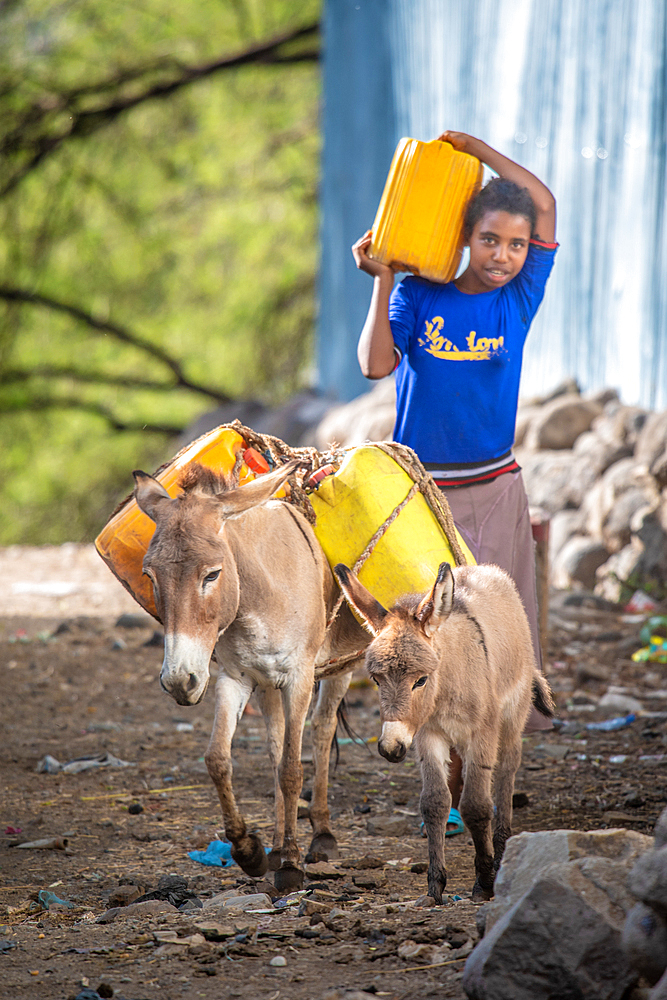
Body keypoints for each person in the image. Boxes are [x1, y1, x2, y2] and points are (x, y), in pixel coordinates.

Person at [352, 130, 558, 835]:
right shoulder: (418, 293)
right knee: (423, 633)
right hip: (422, 497)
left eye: (515, 243)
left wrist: (477, 151)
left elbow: (545, 201)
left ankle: (495, 778)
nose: (502, 255)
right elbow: (375, 366)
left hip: (495, 487)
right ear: (464, 236)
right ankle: (438, 775)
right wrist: (382, 277)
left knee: (504, 636)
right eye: (489, 238)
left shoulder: (519, 297)